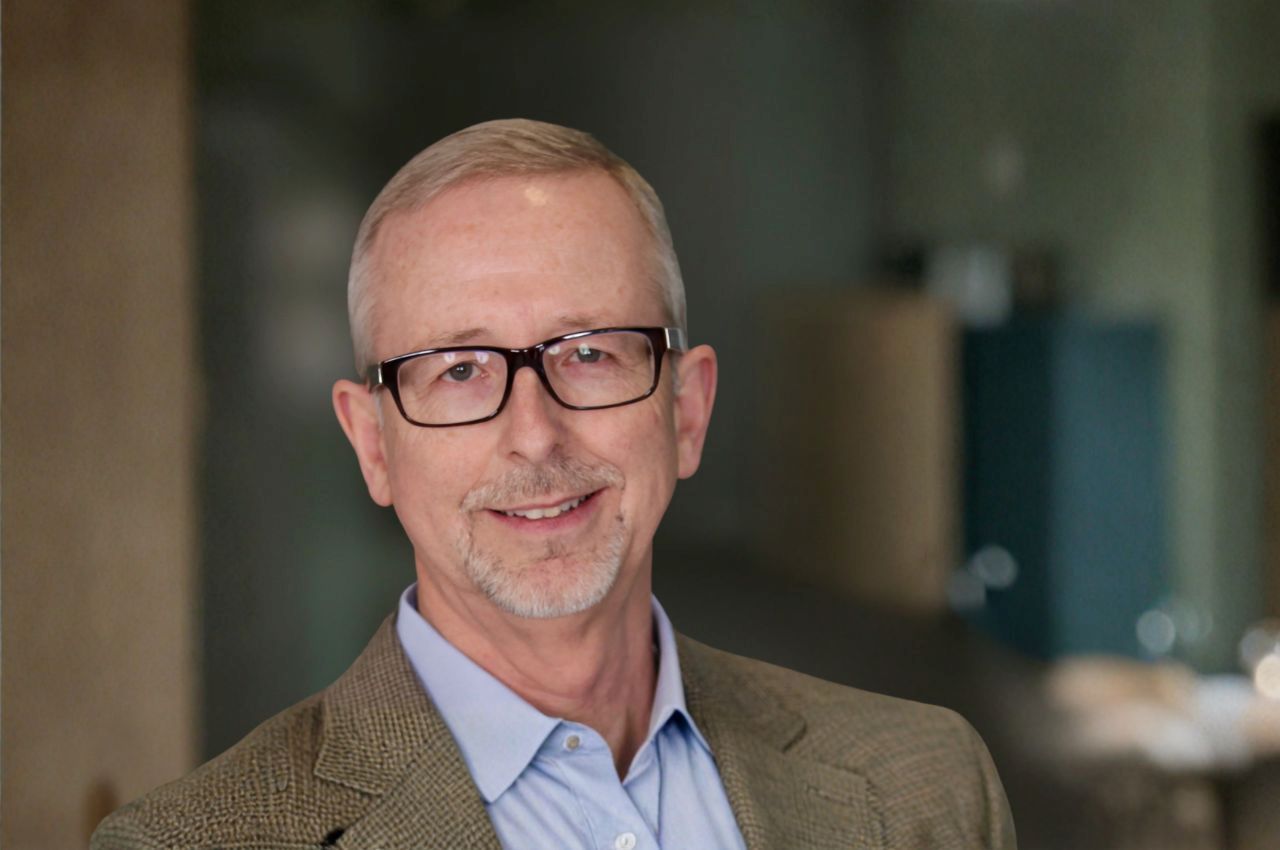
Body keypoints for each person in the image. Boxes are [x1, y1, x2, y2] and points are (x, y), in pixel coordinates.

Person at [93, 119, 1015, 849]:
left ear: (687, 412)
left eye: (590, 354)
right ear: (373, 443)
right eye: (457, 370)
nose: (532, 435)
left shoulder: (925, 787)